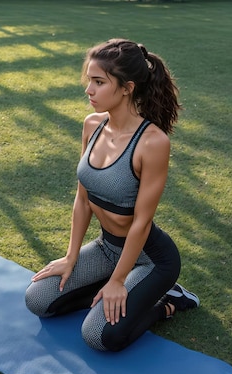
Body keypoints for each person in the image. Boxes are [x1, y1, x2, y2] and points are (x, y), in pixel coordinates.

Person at [25, 39, 199, 352]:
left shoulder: (152, 143)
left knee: (99, 336)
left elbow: (142, 223)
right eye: (88, 81)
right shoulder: (92, 125)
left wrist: (118, 282)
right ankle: (115, 291)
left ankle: (167, 301)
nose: (88, 90)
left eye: (99, 82)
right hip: (108, 248)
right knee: (37, 299)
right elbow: (82, 199)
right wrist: (71, 256)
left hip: (150, 259)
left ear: (127, 88)